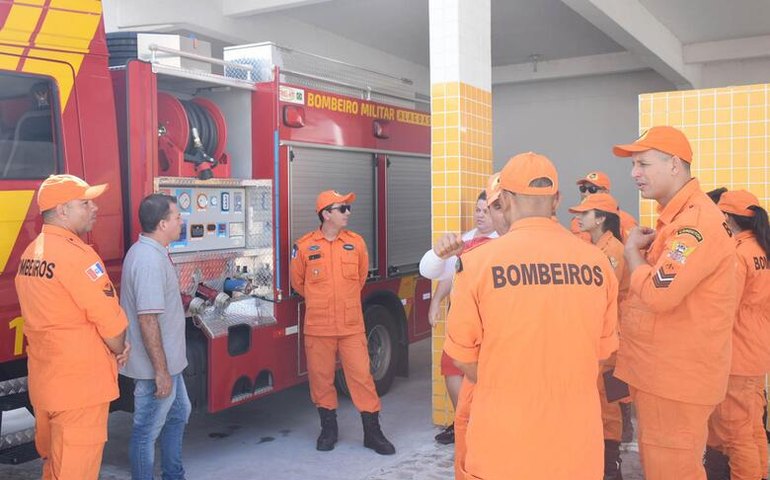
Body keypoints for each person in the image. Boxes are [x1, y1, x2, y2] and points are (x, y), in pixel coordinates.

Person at [445, 152, 619, 479]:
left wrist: (512, 379)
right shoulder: (598, 264)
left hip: (503, 447)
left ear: (506, 200)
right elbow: (601, 353)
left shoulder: (476, 264)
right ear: (556, 201)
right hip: (575, 448)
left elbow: (463, 358)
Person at [612, 126, 736, 480]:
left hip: (675, 379)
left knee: (673, 471)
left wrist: (632, 253)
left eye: (644, 164)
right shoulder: (680, 219)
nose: (635, 173)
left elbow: (657, 292)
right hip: (666, 374)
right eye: (634, 165)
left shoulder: (695, 224)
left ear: (675, 165)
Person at [14, 174, 129, 480]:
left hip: (47, 384)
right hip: (80, 388)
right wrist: (120, 347)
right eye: (85, 203)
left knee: (53, 468)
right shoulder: (77, 256)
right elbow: (111, 323)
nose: (94, 208)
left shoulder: (30, 255)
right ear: (62, 210)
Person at [290, 190, 395, 455]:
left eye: (348, 208)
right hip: (319, 327)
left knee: (362, 378)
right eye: (342, 208)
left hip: (351, 327)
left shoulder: (356, 243)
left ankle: (373, 433)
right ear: (326, 213)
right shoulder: (303, 246)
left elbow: (360, 278)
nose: (348, 212)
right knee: (321, 380)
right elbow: (298, 284)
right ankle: (329, 430)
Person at [120, 193, 191, 480]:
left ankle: (174, 474)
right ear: (162, 224)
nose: (181, 221)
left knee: (178, 413)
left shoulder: (153, 251)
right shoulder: (148, 259)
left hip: (171, 363)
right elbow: (147, 319)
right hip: (157, 368)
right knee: (145, 432)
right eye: (176, 217)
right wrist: (161, 372)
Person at [419, 190, 497, 444]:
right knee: (451, 367)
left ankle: (484, 426)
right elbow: (448, 275)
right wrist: (435, 303)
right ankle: (462, 421)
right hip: (461, 320)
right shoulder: (464, 240)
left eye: (486, 211)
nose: (481, 216)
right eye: (478, 210)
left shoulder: (504, 242)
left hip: (490, 323)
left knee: (483, 375)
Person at [704, 189, 770, 480]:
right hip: (756, 350)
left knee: (735, 434)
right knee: (753, 428)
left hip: (736, 354)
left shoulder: (738, 254)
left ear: (728, 218)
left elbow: (724, 306)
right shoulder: (762, 250)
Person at [569, 192, 630, 480]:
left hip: (614, 344)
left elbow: (599, 298)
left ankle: (610, 467)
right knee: (605, 401)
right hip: (606, 340)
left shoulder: (611, 252)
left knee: (610, 405)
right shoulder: (598, 249)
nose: (579, 218)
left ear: (601, 219)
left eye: (585, 213)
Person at [571, 171, 637, 242]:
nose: (586, 194)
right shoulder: (577, 220)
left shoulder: (625, 220)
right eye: (583, 189)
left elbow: (633, 250)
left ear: (605, 192)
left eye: (592, 189)